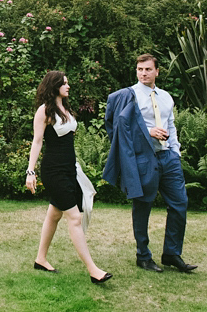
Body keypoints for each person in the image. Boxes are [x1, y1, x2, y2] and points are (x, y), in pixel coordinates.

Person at [102, 54, 197, 273]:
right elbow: (119, 129)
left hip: (168, 158)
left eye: (147, 69)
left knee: (179, 204)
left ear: (157, 71)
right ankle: (143, 256)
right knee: (143, 206)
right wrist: (148, 131)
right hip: (143, 159)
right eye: (139, 69)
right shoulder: (129, 96)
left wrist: (175, 150)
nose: (143, 73)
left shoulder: (165, 97)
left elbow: (170, 124)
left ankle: (172, 254)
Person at [25, 70, 112, 284]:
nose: (68, 86)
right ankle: (93, 270)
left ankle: (40, 259)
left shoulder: (66, 109)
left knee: (54, 214)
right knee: (74, 217)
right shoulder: (44, 111)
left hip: (69, 169)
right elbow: (37, 142)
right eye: (64, 83)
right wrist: (30, 171)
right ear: (54, 86)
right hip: (54, 171)